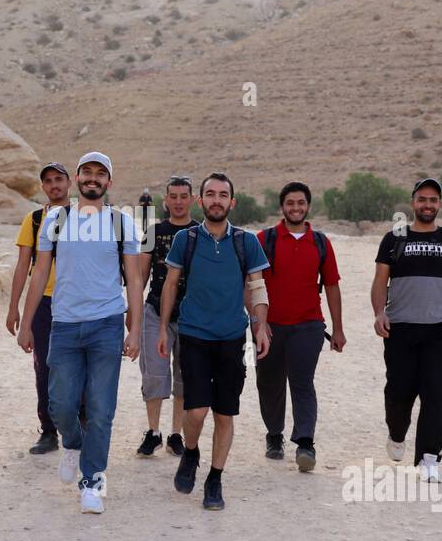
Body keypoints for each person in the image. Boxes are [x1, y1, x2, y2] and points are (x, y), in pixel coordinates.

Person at [17, 151, 141, 514]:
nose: (93, 178)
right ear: (77, 178)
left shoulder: (122, 223)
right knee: (60, 403)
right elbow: (39, 273)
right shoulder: (56, 219)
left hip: (106, 324)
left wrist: (133, 330)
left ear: (109, 183)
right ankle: (72, 442)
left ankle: (92, 481)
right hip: (64, 325)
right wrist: (26, 323)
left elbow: (133, 278)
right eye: (87, 172)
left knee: (101, 408)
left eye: (100, 173)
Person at [159, 173, 271, 510]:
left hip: (231, 338)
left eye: (223, 194)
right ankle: (191, 451)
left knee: (225, 414)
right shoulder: (186, 239)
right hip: (193, 334)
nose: (217, 200)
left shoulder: (246, 242)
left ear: (232, 202)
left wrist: (261, 326)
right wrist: (163, 327)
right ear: (201, 200)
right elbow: (170, 284)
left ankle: (215, 478)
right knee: (195, 411)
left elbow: (257, 287)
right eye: (210, 194)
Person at [371, 177, 442, 483]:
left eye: (433, 200)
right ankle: (397, 433)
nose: (427, 205)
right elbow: (380, 282)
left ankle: (430, 457)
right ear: (413, 202)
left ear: (439, 204)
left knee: (437, 393)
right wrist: (379, 313)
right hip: (400, 328)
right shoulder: (394, 239)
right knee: (399, 391)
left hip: (441, 330)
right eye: (422, 199)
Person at [255, 181, 345, 471]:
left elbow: (331, 285)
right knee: (269, 382)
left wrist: (338, 328)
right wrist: (258, 323)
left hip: (308, 325)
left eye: (300, 203)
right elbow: (251, 282)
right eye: (290, 203)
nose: (295, 208)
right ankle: (274, 434)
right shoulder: (263, 239)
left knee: (302, 382)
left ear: (308, 206)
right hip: (269, 326)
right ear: (281, 207)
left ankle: (305, 442)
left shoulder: (321, 243)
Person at [6, 162, 75, 455]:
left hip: (76, 302)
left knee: (78, 366)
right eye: (48, 181)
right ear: (43, 187)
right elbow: (24, 266)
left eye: (59, 179)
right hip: (44, 303)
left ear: (69, 183)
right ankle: (48, 431)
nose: (54, 185)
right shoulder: (34, 220)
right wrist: (14, 309)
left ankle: (80, 422)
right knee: (43, 367)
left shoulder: (84, 218)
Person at [135, 176, 195, 457]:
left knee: (184, 376)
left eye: (184, 196)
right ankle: (153, 432)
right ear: (166, 200)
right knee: (155, 374)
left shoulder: (202, 232)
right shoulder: (153, 232)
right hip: (155, 310)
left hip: (192, 315)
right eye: (174, 196)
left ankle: (175, 435)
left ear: (192, 199)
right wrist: (133, 313)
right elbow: (141, 275)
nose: (179, 201)